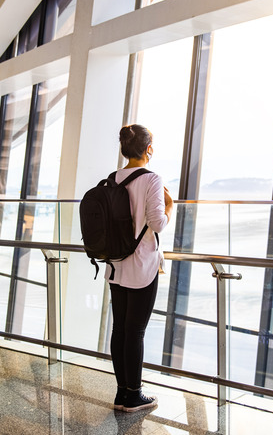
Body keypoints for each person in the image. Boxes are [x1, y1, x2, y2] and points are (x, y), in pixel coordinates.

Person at [108, 124, 173, 413]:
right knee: (135, 332)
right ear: (147, 149)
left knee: (120, 329)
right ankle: (134, 395)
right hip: (143, 266)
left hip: (116, 264)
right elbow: (158, 223)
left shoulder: (112, 179)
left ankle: (123, 392)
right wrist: (170, 206)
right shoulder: (152, 179)